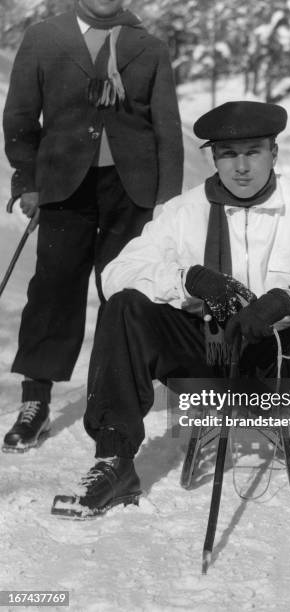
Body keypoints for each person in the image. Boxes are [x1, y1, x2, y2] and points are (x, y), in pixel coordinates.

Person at [52, 100, 290, 538]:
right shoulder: (184, 211)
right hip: (206, 356)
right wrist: (191, 280)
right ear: (214, 158)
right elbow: (116, 275)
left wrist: (289, 299)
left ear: (274, 153)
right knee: (125, 304)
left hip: (285, 362)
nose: (241, 166)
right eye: (228, 154)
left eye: (253, 151)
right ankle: (113, 463)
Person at [2, 0, 184, 452]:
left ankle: (112, 405)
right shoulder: (47, 37)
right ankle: (36, 402)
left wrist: (168, 201)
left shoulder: (149, 46)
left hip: (132, 191)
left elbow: (167, 128)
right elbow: (20, 118)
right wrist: (27, 181)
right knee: (53, 291)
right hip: (64, 187)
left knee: (124, 295)